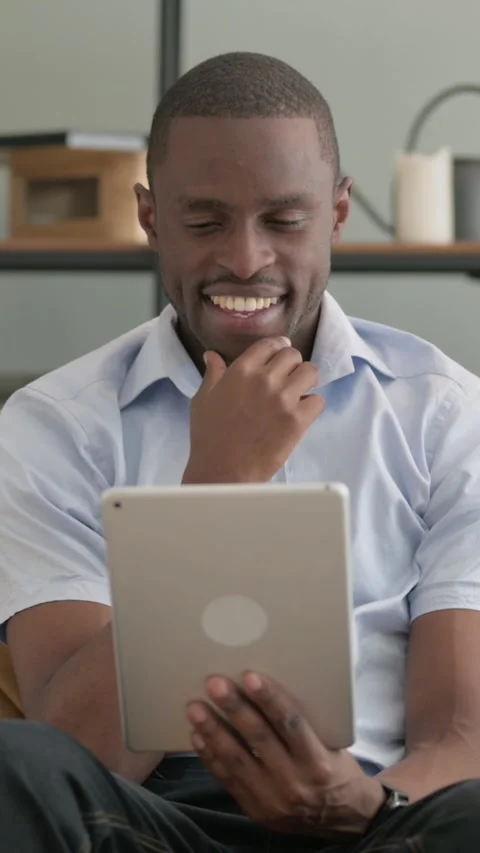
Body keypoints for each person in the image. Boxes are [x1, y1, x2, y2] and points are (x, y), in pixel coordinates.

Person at [0, 51, 480, 853]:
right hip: (147, 816)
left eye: (284, 221)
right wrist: (216, 486)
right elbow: (76, 750)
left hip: (386, 811)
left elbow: (462, 737)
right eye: (204, 223)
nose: (246, 258)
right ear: (151, 217)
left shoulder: (445, 414)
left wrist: (367, 802)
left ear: (337, 213)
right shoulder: (54, 426)